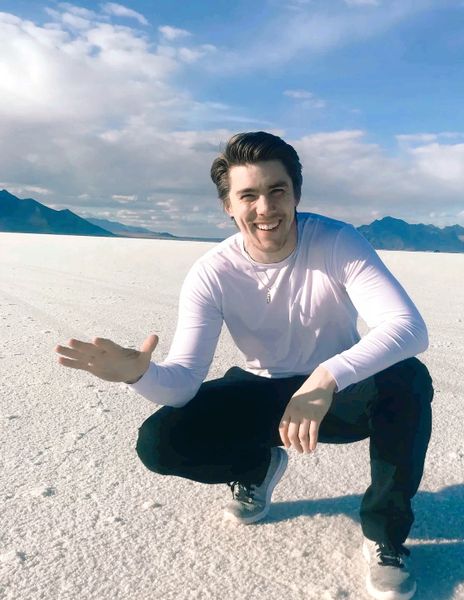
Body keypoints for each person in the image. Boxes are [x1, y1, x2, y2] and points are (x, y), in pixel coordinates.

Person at [55, 131, 434, 600]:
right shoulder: (212, 273)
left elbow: (408, 328)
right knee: (160, 442)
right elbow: (182, 384)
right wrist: (138, 374)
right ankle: (255, 466)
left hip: (336, 397)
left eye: (277, 191)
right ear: (228, 207)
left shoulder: (338, 242)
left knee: (407, 379)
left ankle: (385, 535)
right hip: (260, 391)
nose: (265, 208)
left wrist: (326, 377)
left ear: (296, 194)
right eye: (248, 195)